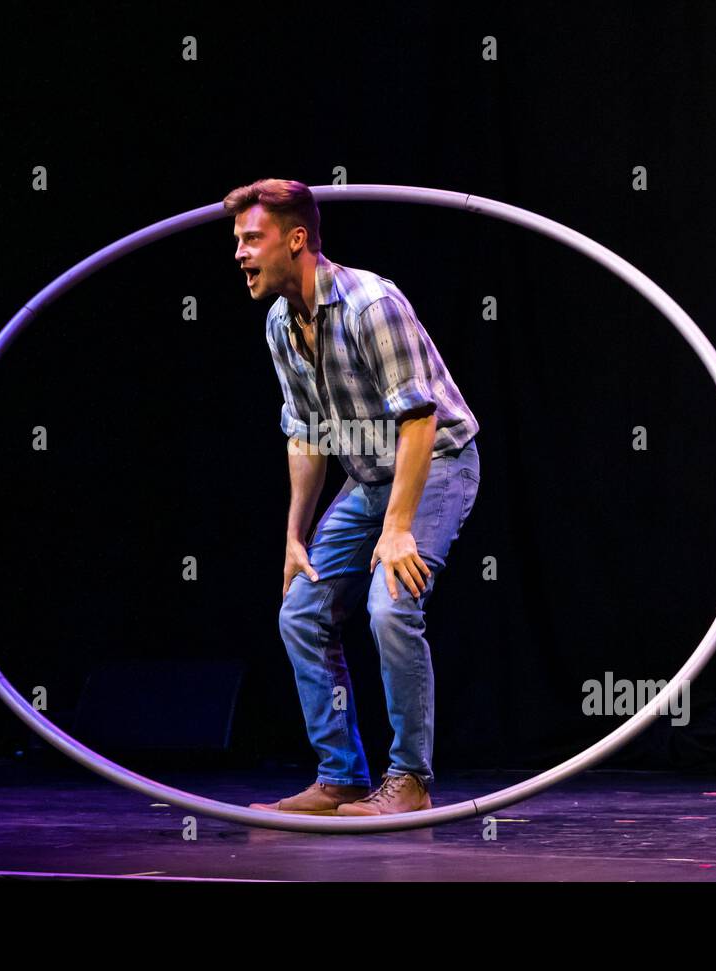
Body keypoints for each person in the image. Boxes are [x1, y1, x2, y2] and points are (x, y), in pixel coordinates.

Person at [225, 178, 481, 815]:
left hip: (437, 463)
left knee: (390, 606)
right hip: (369, 479)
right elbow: (308, 435)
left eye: (252, 239)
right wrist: (295, 536)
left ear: (297, 240)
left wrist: (399, 529)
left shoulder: (372, 305)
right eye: (237, 241)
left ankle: (411, 780)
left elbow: (419, 420)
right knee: (300, 610)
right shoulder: (281, 324)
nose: (239, 253)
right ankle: (340, 776)